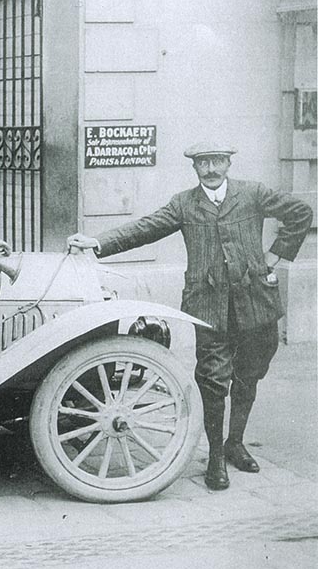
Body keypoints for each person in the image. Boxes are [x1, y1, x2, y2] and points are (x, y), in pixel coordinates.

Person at [68, 142, 312, 492]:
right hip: (209, 306)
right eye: (203, 163)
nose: (210, 169)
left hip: (256, 303)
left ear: (228, 163)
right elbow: (146, 228)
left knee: (250, 374)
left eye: (217, 161)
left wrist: (276, 257)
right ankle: (214, 456)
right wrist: (97, 241)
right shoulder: (184, 204)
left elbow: (300, 212)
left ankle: (235, 443)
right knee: (213, 381)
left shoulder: (253, 193)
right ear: (195, 168)